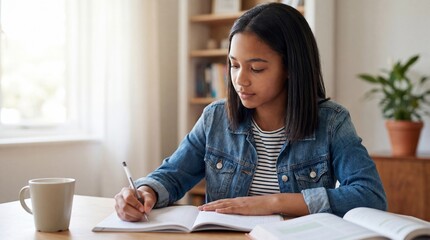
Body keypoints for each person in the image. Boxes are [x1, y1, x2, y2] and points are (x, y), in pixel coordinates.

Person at [115, 2, 387, 222]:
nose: (240, 80)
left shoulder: (331, 122)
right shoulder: (215, 118)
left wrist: (271, 203)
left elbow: (370, 196)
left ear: (291, 68)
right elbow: (173, 175)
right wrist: (144, 191)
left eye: (256, 68)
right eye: (234, 65)